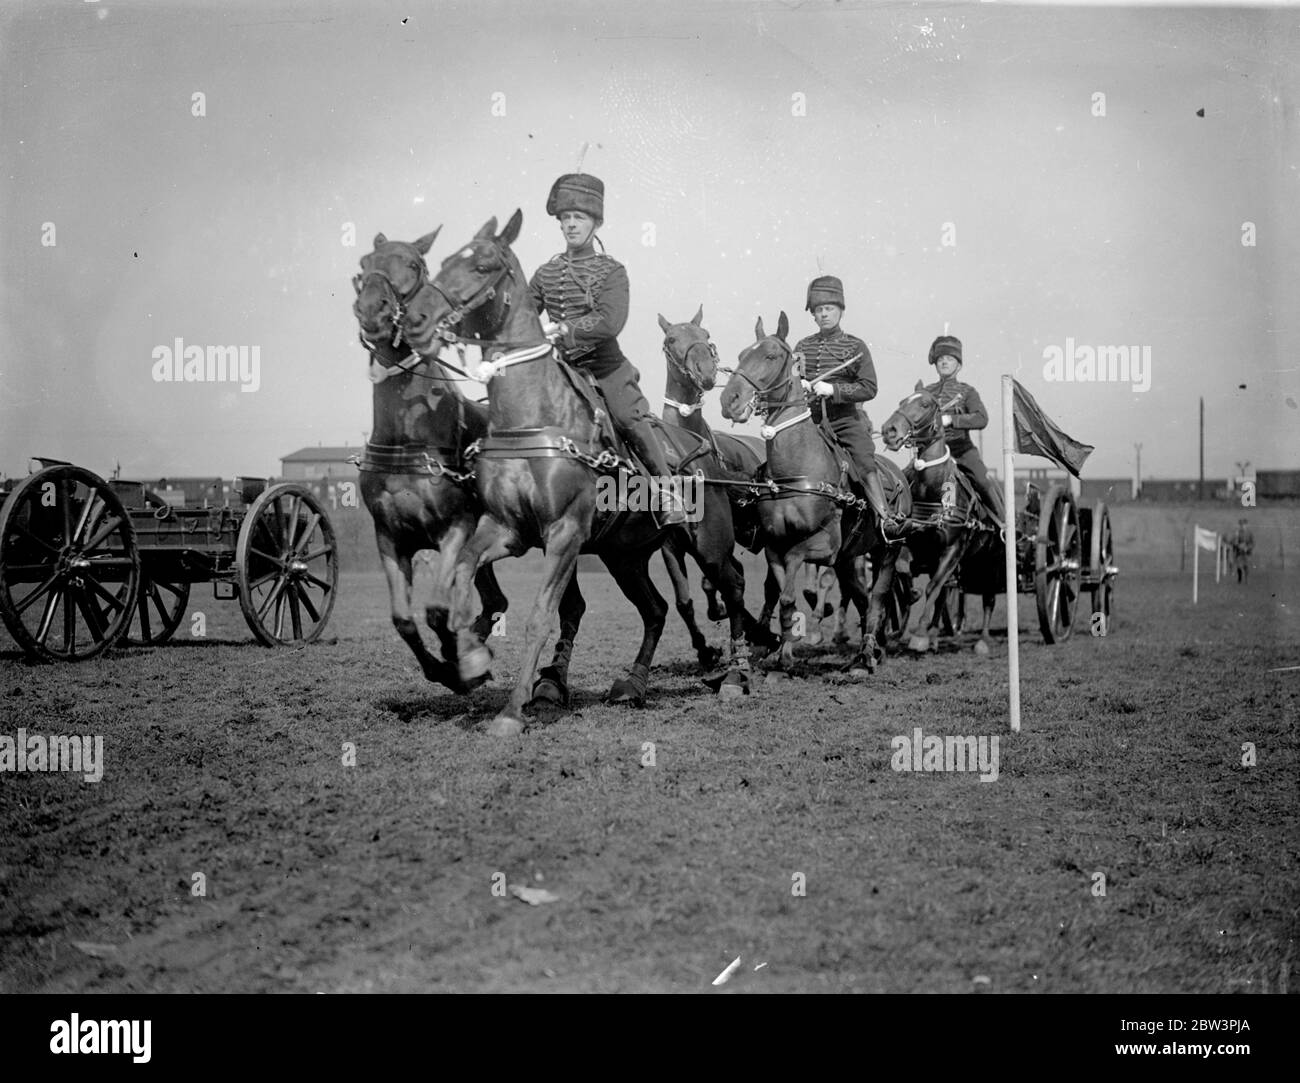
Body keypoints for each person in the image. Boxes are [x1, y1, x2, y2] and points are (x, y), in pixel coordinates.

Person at [529, 172, 685, 525]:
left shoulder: (611, 271)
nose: (571, 225)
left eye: (579, 218)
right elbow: (525, 314)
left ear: (595, 222)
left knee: (629, 417)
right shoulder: (545, 274)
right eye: (565, 219)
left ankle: (668, 491)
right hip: (561, 371)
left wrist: (565, 329)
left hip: (606, 370)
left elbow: (611, 322)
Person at [793, 275, 899, 531]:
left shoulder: (856, 346)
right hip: (811, 422)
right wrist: (801, 385)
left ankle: (885, 519)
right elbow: (793, 380)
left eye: (829, 309)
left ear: (840, 311)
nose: (824, 315)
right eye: (819, 310)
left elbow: (869, 387)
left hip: (844, 421)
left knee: (864, 460)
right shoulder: (802, 346)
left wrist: (834, 389)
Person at [923, 335, 1005, 526]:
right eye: (940, 359)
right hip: (932, 454)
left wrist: (951, 419)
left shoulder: (967, 392)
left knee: (983, 481)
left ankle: (1004, 527)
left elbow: (981, 418)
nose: (944, 362)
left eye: (949, 359)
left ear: (958, 365)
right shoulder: (927, 392)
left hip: (961, 451)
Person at [1231, 517, 1254, 583]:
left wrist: (1247, 547)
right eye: (1241, 524)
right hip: (1239, 552)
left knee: (1246, 565)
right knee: (1239, 565)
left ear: (1246, 525)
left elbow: (1252, 543)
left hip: (1247, 552)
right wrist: (1238, 544)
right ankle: (1240, 578)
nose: (1242, 526)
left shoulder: (1250, 533)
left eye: (1244, 524)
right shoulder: (1237, 533)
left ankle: (1247, 578)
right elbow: (1234, 542)